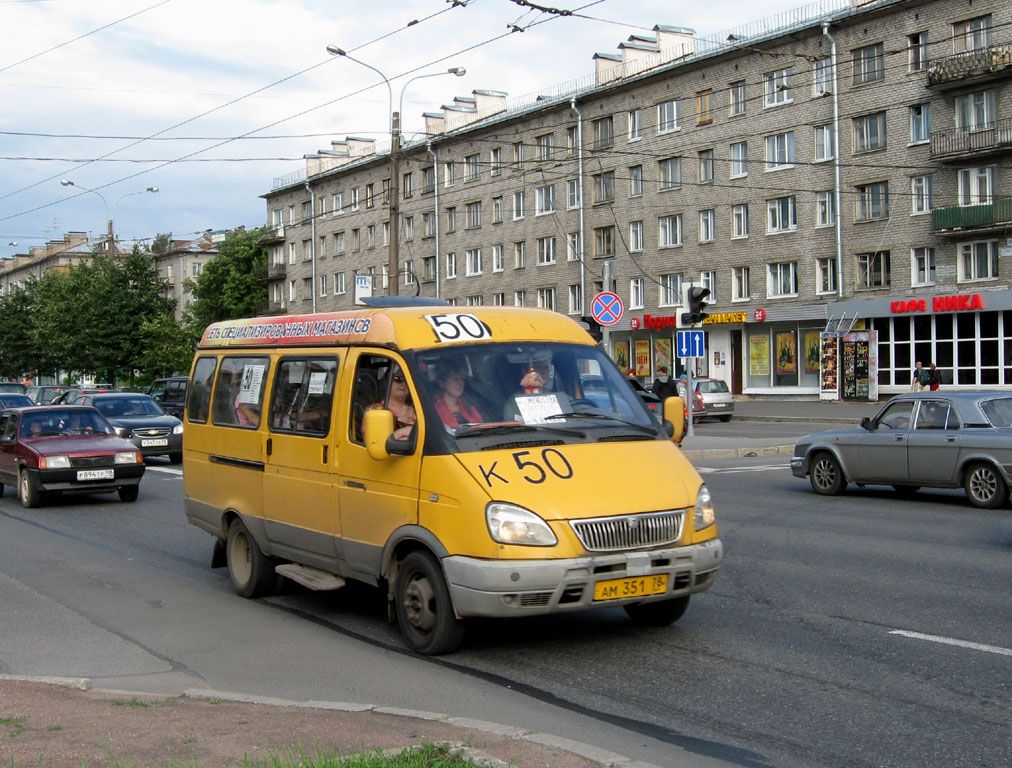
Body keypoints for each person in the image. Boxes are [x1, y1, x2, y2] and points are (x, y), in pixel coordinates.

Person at [367, 365, 415, 440]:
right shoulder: (374, 410)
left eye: (407, 380)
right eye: (398, 379)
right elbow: (376, 443)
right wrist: (401, 433)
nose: (403, 383)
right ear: (387, 381)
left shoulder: (417, 412)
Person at [434, 362, 482, 428]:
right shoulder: (433, 410)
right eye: (455, 379)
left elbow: (481, 427)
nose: (460, 383)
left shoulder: (469, 407)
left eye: (462, 379)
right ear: (442, 383)